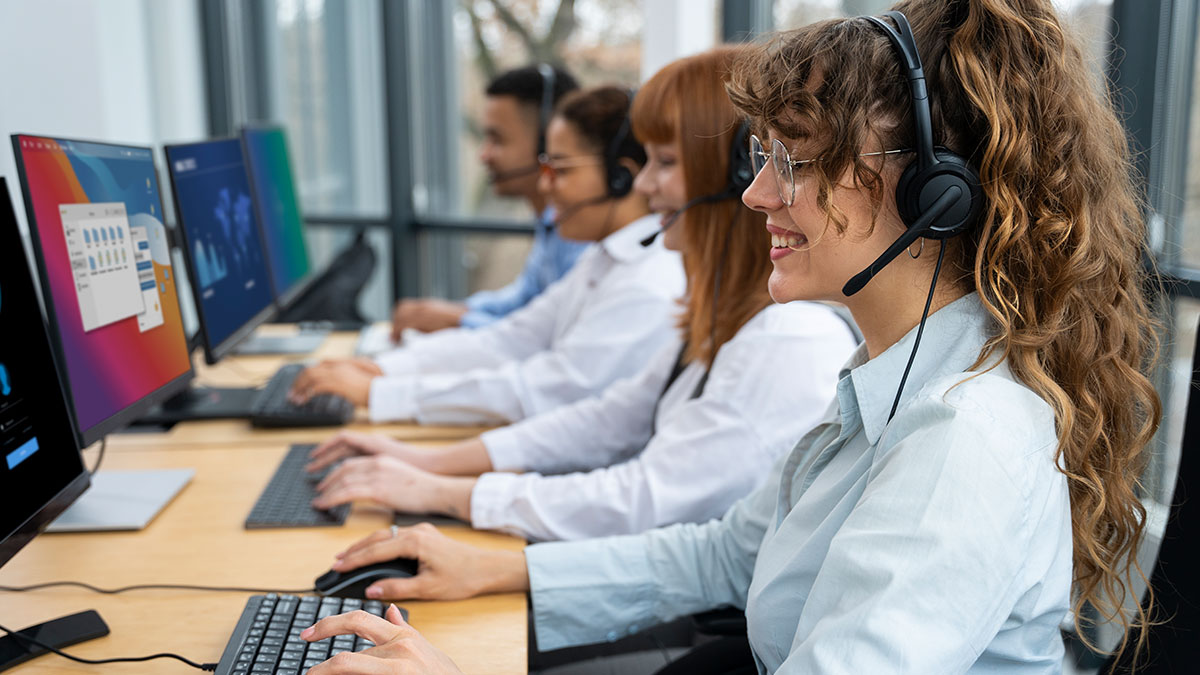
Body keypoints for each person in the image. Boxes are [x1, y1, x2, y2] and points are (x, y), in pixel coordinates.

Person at [299, 0, 1162, 672]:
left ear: (933, 194)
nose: (756, 197)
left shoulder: (961, 442)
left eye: (793, 162)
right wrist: (495, 570)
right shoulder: (886, 374)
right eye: (763, 162)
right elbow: (728, 549)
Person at [302, 47, 858, 542]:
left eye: (664, 164)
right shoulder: (721, 318)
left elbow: (643, 494)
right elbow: (607, 418)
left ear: (733, 180)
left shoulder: (781, 340)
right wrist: (426, 464)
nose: (642, 186)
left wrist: (443, 489)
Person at [290, 87, 685, 426]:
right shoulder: (605, 258)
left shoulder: (647, 284)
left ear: (621, 177)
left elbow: (544, 389)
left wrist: (381, 392)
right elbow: (508, 341)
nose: (546, 187)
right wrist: (381, 370)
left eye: (560, 170)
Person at [388, 65, 591, 339]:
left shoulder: (582, 234)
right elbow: (523, 301)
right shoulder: (551, 223)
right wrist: (454, 311)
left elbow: (549, 339)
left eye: (497, 139)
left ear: (548, 144)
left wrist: (459, 319)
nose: (483, 155)